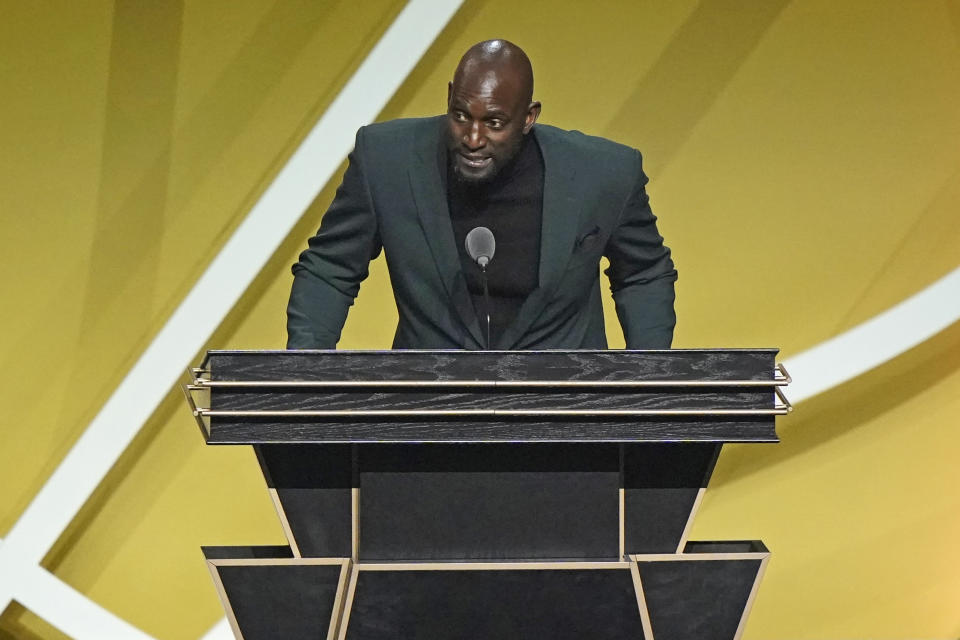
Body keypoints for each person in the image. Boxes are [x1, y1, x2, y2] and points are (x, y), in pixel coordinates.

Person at [287, 39, 677, 350]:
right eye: (461, 116)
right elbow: (330, 267)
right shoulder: (386, 161)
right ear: (450, 97)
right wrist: (305, 373)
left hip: (565, 415)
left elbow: (643, 271)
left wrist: (647, 381)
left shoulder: (603, 173)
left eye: (493, 123)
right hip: (430, 417)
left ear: (528, 117)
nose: (473, 139)